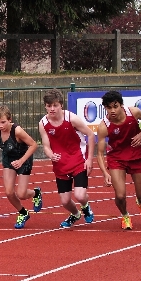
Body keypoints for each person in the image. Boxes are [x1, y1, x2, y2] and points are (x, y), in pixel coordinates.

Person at [38, 89, 96, 228]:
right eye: (49, 105)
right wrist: (50, 154)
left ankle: (86, 207)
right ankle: (75, 214)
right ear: (45, 106)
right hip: (60, 164)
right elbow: (46, 145)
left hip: (77, 159)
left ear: (61, 105)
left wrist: (89, 159)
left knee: (80, 195)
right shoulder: (43, 123)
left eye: (55, 105)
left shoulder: (72, 118)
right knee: (65, 201)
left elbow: (91, 135)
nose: (52, 109)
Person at [95, 90, 141, 230]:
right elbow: (100, 154)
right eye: (109, 107)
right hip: (117, 159)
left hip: (135, 156)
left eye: (115, 106)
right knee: (120, 195)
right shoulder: (104, 126)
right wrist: (105, 173)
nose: (112, 110)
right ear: (105, 108)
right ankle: (125, 215)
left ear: (121, 105)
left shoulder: (134, 112)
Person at [0, 105, 41, 229]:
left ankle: (35, 193)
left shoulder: (17, 131)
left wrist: (21, 161)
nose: (1, 126)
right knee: (9, 192)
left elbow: (34, 145)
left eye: (3, 122)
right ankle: (23, 212)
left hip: (23, 158)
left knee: (21, 193)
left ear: (10, 119)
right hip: (8, 159)